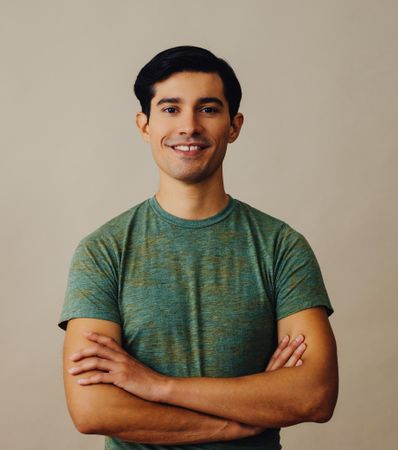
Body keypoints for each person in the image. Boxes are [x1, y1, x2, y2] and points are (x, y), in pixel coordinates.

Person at [58, 45, 338, 449]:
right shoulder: (104, 251)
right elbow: (93, 411)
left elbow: (314, 395)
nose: (189, 126)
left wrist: (157, 386)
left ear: (234, 125)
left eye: (208, 109)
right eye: (170, 109)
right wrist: (240, 419)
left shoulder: (281, 247)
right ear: (144, 125)